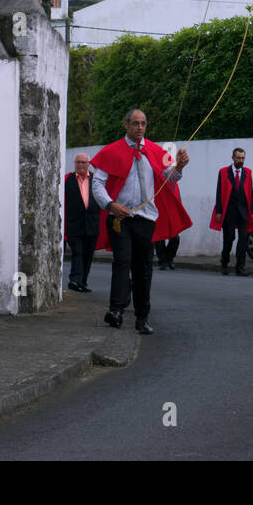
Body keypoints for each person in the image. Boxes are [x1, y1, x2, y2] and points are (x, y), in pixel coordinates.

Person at [90, 108, 191, 335]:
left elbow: (169, 179)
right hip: (120, 217)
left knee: (143, 268)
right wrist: (110, 205)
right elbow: (97, 183)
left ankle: (142, 317)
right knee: (122, 262)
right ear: (125, 125)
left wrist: (180, 166)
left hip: (146, 218)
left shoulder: (155, 151)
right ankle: (116, 310)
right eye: (135, 123)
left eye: (143, 123)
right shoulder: (111, 151)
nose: (139, 128)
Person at [211, 147, 253, 277]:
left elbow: (251, 192)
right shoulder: (224, 172)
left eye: (242, 158)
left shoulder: (248, 172)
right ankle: (224, 264)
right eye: (238, 158)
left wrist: (252, 211)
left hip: (243, 211)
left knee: (243, 240)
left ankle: (240, 267)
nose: (241, 160)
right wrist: (218, 211)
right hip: (228, 212)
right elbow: (219, 192)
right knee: (229, 239)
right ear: (233, 158)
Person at [64, 153, 102, 292]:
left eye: (83, 162)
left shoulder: (96, 179)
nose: (80, 165)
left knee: (87, 254)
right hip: (73, 223)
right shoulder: (67, 180)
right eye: (78, 162)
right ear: (74, 164)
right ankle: (74, 279)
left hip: (92, 223)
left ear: (88, 163)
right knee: (77, 252)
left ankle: (82, 282)